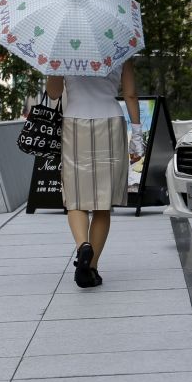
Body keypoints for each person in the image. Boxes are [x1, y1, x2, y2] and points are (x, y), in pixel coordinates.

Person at [46, 61, 143, 288]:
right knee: (102, 201)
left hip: (75, 123)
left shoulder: (63, 52)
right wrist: (137, 135)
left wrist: (53, 65)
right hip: (110, 121)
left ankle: (83, 247)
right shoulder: (121, 48)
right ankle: (91, 268)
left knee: (75, 196)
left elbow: (53, 93)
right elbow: (130, 94)